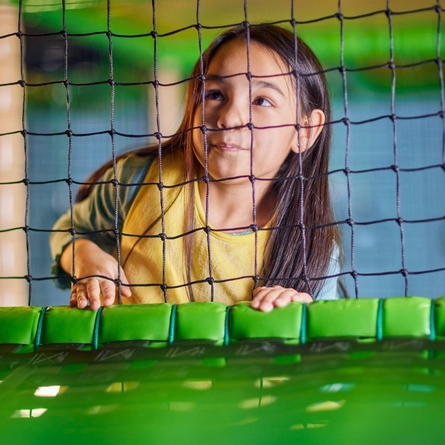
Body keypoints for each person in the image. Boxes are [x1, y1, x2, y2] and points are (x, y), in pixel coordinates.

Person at [50, 23, 343, 312]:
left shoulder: (312, 246)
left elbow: (325, 343)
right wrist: (86, 259)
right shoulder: (137, 178)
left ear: (305, 131)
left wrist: (299, 314)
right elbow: (71, 230)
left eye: (262, 100)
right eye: (215, 94)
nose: (229, 118)